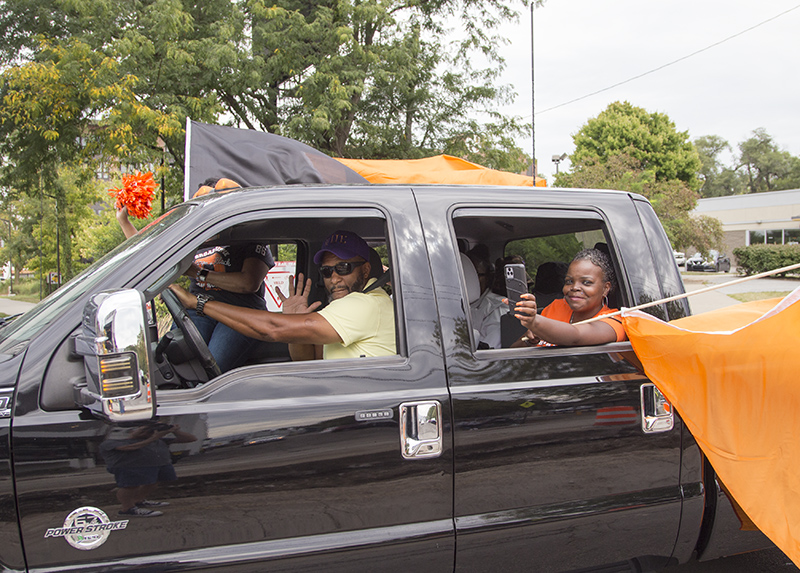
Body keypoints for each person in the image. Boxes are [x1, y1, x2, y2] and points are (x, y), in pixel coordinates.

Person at [117, 177, 274, 372]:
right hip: (198, 311)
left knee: (213, 367)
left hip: (239, 312)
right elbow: (150, 257)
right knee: (173, 361)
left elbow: (248, 283)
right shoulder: (194, 236)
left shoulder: (249, 236)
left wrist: (197, 273)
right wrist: (123, 221)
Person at [168, 230, 396, 361]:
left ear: (365, 270)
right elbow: (308, 362)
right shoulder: (342, 309)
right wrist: (297, 328)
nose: (334, 278)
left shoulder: (365, 304)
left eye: (343, 268)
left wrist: (199, 302)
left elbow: (272, 329)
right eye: (327, 271)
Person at [511, 248, 626, 347]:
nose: (575, 287)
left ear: (606, 288)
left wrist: (535, 322)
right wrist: (528, 341)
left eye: (586, 282)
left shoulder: (614, 321)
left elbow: (576, 336)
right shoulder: (556, 306)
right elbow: (512, 353)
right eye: (569, 281)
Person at [99, 423, 197, 517]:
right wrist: (154, 437)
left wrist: (175, 431)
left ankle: (139, 501)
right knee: (130, 486)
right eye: (144, 430)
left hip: (156, 465)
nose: (148, 432)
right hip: (128, 467)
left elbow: (191, 439)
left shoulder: (156, 439)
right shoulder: (113, 441)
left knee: (152, 483)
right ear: (130, 431)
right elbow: (130, 447)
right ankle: (127, 508)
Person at [466, 245, 505, 349]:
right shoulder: (445, 304)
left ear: (487, 277)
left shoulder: (497, 308)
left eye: (475, 274)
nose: (466, 280)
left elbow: (488, 355)